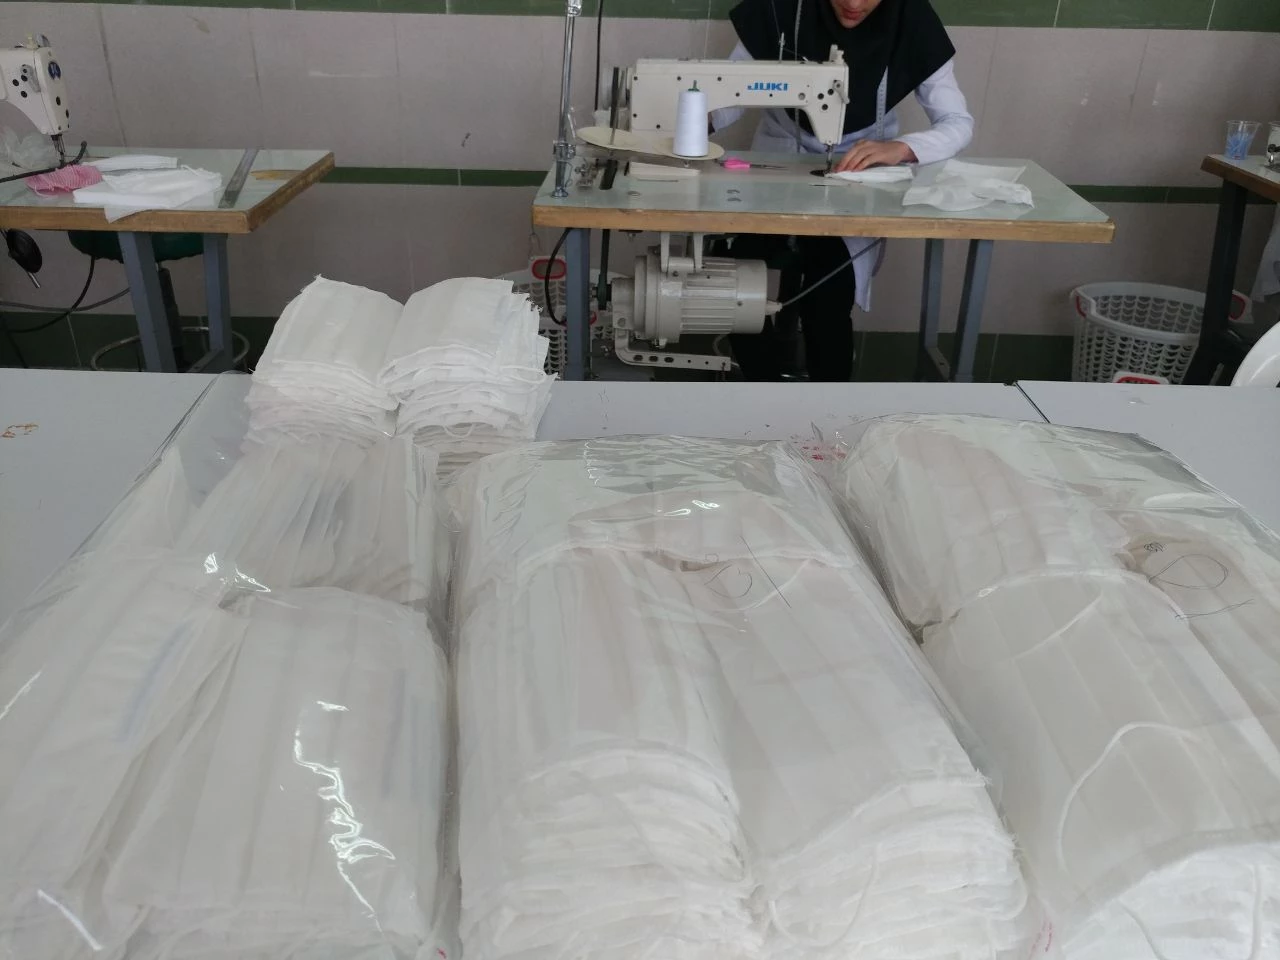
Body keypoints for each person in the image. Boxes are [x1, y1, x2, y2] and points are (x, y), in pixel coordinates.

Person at [712, 0, 973, 381]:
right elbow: (729, 93)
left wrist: (903, 148)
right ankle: (762, 388)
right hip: (778, 163)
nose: (853, 3)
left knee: (828, 297)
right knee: (730, 281)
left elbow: (957, 123)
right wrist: (695, 121)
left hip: (859, 171)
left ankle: (829, 405)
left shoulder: (910, 17)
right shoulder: (781, 9)